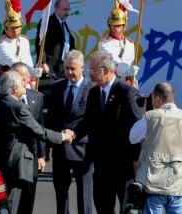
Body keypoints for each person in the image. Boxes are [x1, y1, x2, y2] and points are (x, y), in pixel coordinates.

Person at [0, 70, 75, 214]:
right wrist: (62, 137)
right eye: (23, 86)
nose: (25, 89)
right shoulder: (19, 107)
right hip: (15, 167)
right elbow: (39, 131)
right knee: (12, 205)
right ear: (15, 88)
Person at [74, 51, 141, 214]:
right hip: (101, 165)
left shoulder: (127, 92)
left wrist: (135, 158)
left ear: (105, 70)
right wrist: (72, 133)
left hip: (123, 165)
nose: (90, 73)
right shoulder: (94, 93)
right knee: (103, 207)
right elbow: (88, 122)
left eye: (93, 70)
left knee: (127, 208)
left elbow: (136, 127)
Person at [0, 62, 46, 214]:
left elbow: (39, 125)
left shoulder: (37, 96)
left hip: (31, 158)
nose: (21, 81)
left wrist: (42, 155)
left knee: (27, 200)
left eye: (24, 78)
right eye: (18, 78)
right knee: (9, 202)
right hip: (8, 161)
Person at [46, 50, 94, 214]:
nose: (69, 72)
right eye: (67, 68)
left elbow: (91, 120)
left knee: (84, 195)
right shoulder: (57, 87)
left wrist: (74, 134)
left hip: (82, 149)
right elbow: (51, 118)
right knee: (60, 193)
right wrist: (47, 148)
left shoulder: (92, 89)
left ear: (82, 67)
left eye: (73, 68)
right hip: (60, 149)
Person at [129, 82, 182, 214]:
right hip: (177, 183)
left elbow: (133, 137)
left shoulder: (151, 116)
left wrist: (144, 112)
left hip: (154, 182)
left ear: (157, 99)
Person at [0, 0, 42, 88]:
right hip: (10, 85)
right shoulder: (1, 44)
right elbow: (15, 64)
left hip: (26, 84)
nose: (15, 30)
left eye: (17, 27)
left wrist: (33, 82)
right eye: (12, 27)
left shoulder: (25, 40)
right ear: (6, 27)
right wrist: (31, 71)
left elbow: (29, 62)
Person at [98, 1, 139, 87]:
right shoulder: (104, 43)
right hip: (111, 84)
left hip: (128, 83)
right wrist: (128, 70)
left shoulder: (130, 44)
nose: (116, 28)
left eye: (119, 25)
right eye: (113, 25)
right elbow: (114, 62)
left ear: (124, 25)